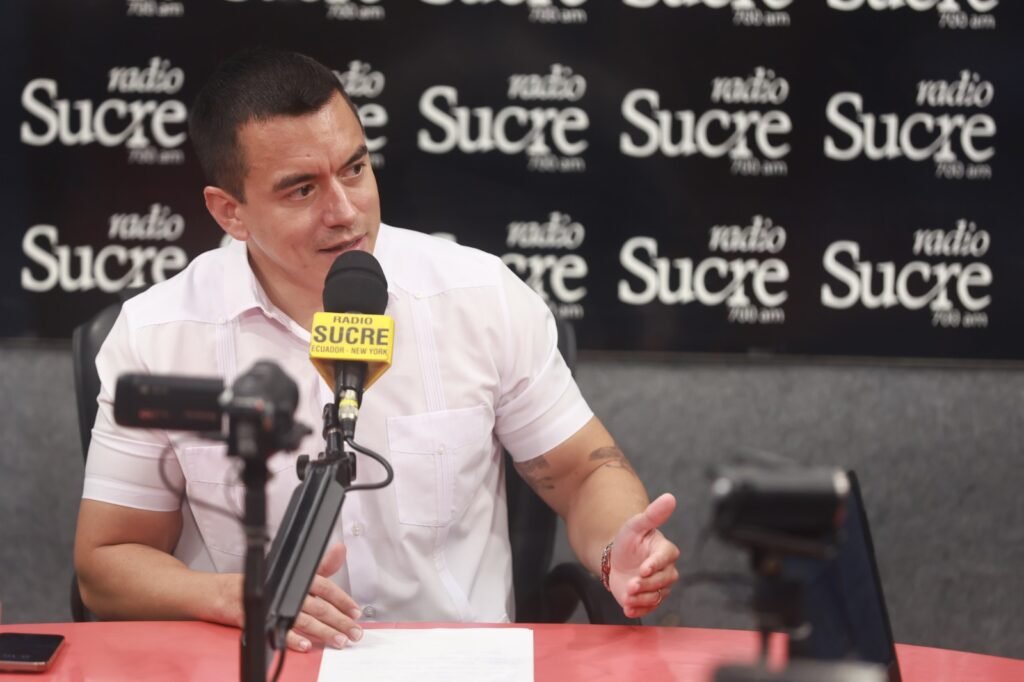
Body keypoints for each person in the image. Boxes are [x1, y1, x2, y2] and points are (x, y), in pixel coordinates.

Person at [74, 48, 680, 653]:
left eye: (355, 169)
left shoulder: (480, 297)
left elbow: (581, 473)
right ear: (230, 212)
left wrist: (615, 552)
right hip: (267, 657)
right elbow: (107, 560)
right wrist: (228, 596)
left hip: (454, 662)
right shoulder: (156, 335)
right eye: (302, 190)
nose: (345, 211)